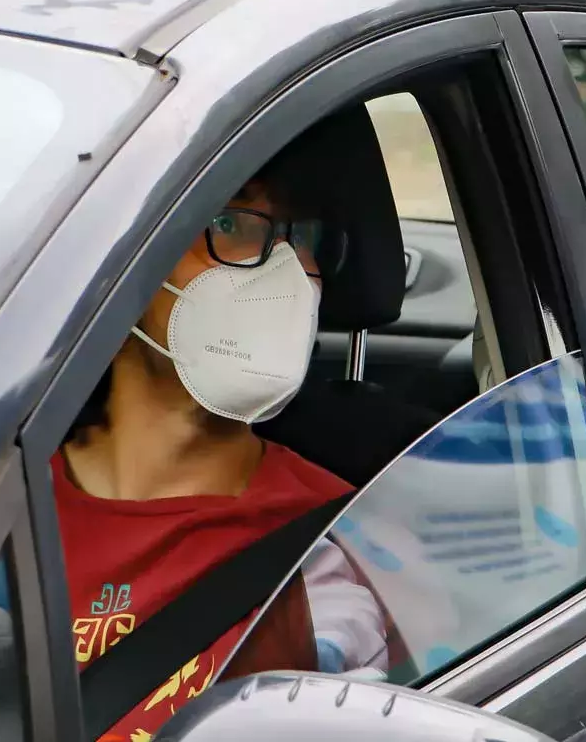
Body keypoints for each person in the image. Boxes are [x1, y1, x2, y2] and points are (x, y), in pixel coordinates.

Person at [55, 153, 389, 741]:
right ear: (127, 255)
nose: (288, 272)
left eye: (303, 237)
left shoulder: (335, 550)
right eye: (233, 225)